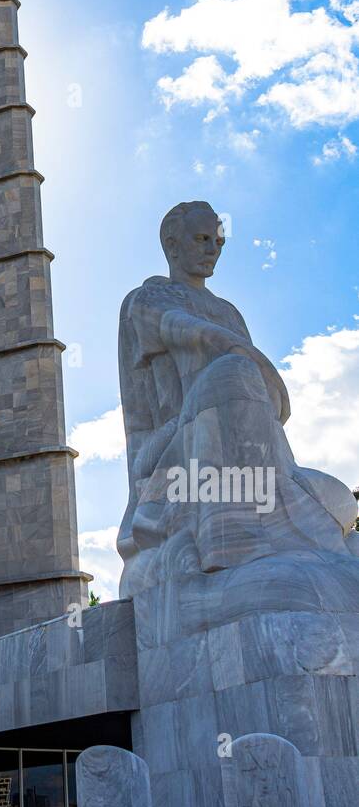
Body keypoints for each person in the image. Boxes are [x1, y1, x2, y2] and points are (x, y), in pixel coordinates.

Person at [117, 201, 358, 597]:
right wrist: (245, 356)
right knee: (232, 372)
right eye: (202, 239)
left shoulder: (228, 311)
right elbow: (183, 329)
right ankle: (228, 536)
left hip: (264, 462)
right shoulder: (147, 299)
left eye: (218, 242)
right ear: (172, 245)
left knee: (341, 499)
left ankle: (275, 526)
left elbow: (270, 415)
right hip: (169, 449)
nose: (212, 249)